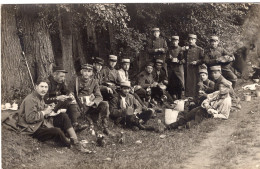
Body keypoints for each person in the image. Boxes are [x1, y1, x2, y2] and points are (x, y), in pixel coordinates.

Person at [17, 78, 88, 152]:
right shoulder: (31, 99)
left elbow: (42, 109)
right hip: (32, 129)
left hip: (40, 123)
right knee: (57, 131)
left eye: (46, 87)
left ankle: (75, 140)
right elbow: (30, 118)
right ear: (36, 87)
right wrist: (44, 112)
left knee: (63, 116)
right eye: (42, 86)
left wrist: (50, 109)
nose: (44, 89)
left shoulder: (39, 97)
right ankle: (71, 145)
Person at [167, 80, 232, 130]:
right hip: (204, 109)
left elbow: (225, 116)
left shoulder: (226, 101)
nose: (221, 88)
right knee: (188, 116)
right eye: (220, 86)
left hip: (209, 115)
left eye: (223, 87)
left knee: (192, 123)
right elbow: (208, 98)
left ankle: (183, 127)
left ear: (228, 89)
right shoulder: (217, 93)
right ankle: (169, 127)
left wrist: (214, 114)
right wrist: (206, 105)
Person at [74, 63, 113, 136]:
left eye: (89, 71)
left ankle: (105, 127)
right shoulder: (76, 81)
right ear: (81, 71)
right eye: (85, 71)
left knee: (105, 104)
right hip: (80, 105)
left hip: (91, 105)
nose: (87, 73)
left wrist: (94, 102)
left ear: (92, 73)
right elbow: (72, 93)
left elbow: (99, 96)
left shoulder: (94, 82)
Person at [45, 66, 87, 132]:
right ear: (54, 75)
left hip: (56, 104)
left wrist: (70, 94)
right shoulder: (47, 84)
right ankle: (71, 125)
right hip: (48, 108)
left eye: (64, 76)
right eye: (61, 76)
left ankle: (75, 124)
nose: (63, 78)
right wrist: (57, 98)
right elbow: (45, 99)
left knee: (71, 101)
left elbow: (65, 90)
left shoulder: (60, 81)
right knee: (68, 102)